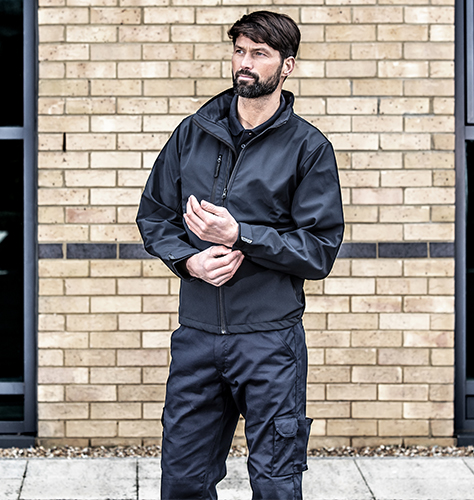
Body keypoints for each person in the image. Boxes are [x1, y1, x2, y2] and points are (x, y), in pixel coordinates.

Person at [136, 10, 344, 500]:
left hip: (270, 342)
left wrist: (241, 235)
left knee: (275, 484)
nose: (244, 63)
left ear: (287, 66)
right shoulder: (193, 133)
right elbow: (154, 216)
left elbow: (319, 251)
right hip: (197, 338)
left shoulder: (308, 148)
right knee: (183, 482)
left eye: (259, 53)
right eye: (239, 51)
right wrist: (188, 261)